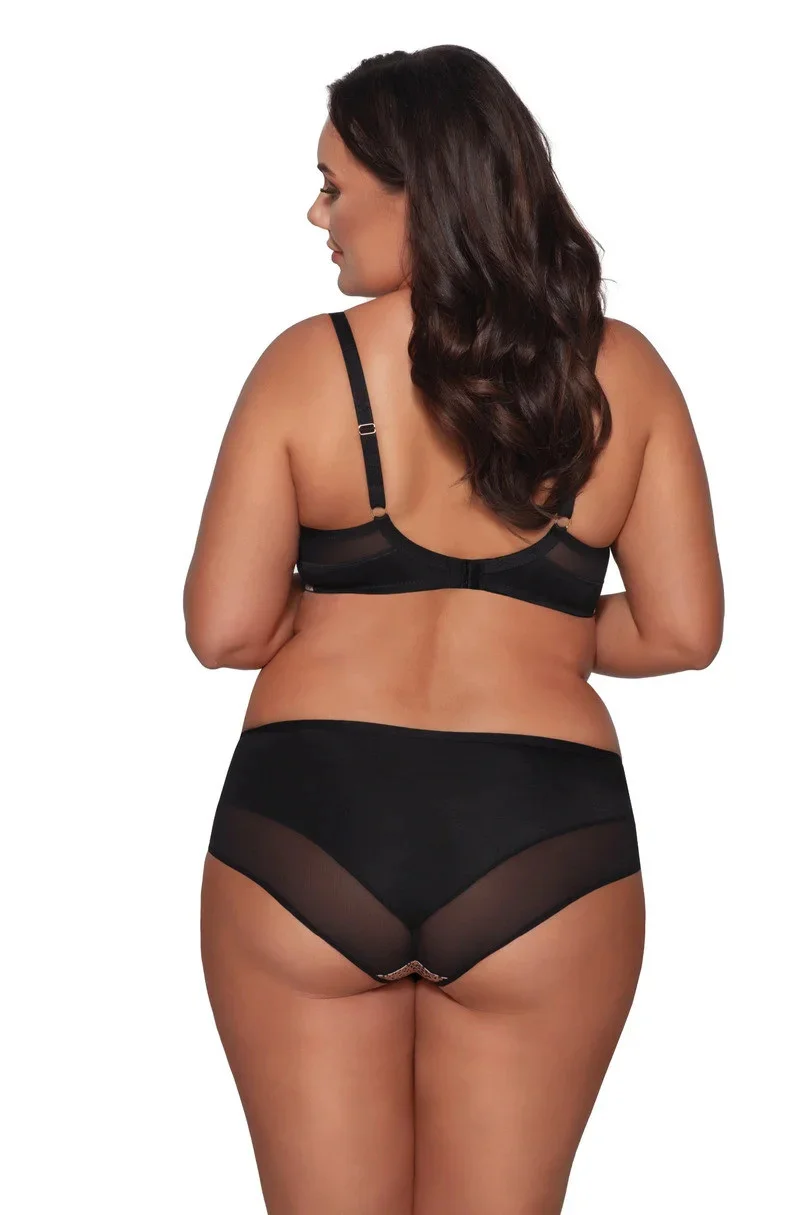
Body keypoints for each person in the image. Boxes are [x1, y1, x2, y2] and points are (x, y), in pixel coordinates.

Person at [183, 44, 723, 1215]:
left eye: (334, 186)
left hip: (309, 827)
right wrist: (540, 633)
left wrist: (344, 609)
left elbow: (225, 630)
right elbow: (682, 632)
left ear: (418, 189)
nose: (317, 215)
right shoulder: (626, 373)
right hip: (542, 839)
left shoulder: (305, 367)